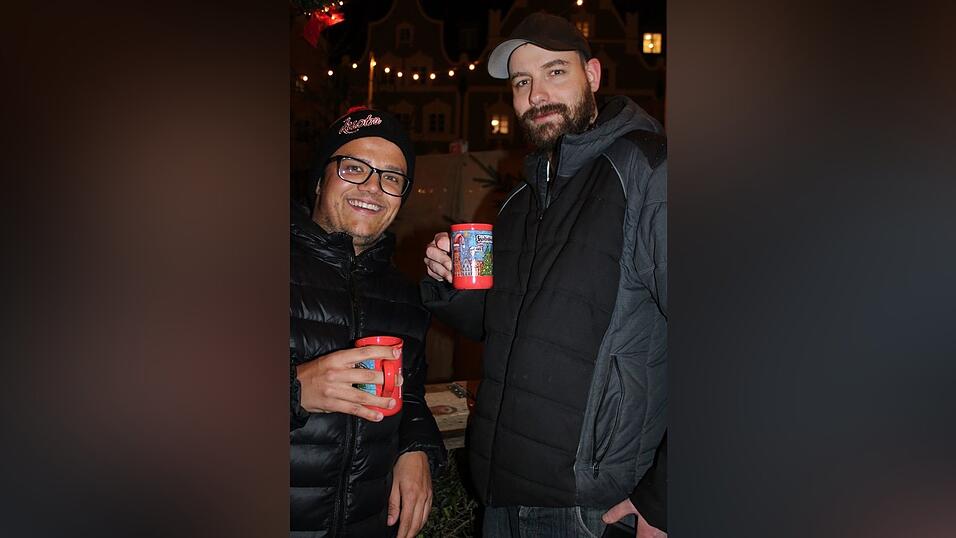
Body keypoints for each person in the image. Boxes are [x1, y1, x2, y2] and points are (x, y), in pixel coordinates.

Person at [421, 12, 667, 537]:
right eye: (522, 82)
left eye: (555, 72)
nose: (538, 95)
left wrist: (666, 496)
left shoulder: (648, 169)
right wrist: (449, 284)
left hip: (594, 504)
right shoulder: (519, 199)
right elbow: (507, 327)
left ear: (593, 76)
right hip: (502, 492)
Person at [291, 108, 446, 538]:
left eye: (391, 177)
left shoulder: (406, 295)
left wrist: (414, 447)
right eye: (354, 168)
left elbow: (408, 392)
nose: (373, 188)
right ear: (320, 179)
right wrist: (294, 389)